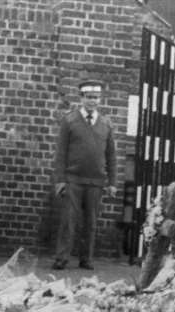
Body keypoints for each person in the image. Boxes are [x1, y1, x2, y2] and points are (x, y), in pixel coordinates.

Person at [52, 80, 116, 272]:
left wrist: (112, 182)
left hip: (95, 182)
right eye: (88, 97)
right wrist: (60, 181)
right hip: (73, 181)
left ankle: (86, 259)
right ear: (81, 98)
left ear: (100, 99)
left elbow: (111, 155)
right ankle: (61, 258)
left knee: (91, 223)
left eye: (95, 98)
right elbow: (60, 153)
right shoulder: (69, 121)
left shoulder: (106, 124)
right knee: (68, 222)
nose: (92, 102)